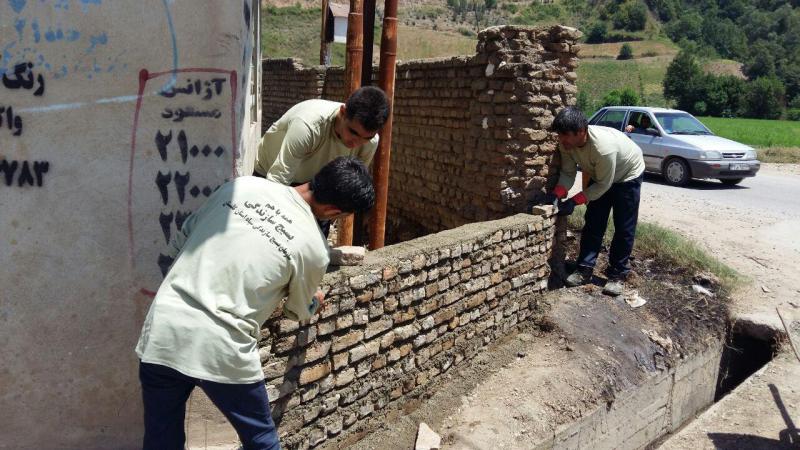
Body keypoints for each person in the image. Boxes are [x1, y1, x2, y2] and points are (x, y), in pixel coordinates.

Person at [136, 157, 375, 450]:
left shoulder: (241, 187)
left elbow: (179, 243)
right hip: (224, 347)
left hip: (164, 330)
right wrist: (314, 301)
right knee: (262, 441)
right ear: (334, 211)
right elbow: (297, 311)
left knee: (162, 439)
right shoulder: (314, 248)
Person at [546, 107, 646, 296]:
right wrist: (557, 195)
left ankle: (617, 275)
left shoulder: (602, 148)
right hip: (601, 175)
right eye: (560, 135)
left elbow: (602, 185)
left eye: (565, 135)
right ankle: (584, 269)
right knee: (593, 222)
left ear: (581, 131)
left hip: (627, 174)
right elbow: (568, 173)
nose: (562, 140)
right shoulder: (566, 144)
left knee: (624, 227)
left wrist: (574, 202)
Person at [254, 86, 390, 185]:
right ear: (343, 112)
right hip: (269, 175)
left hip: (312, 187)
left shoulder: (371, 143)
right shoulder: (308, 125)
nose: (356, 143)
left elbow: (348, 182)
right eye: (353, 132)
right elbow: (278, 179)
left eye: (366, 138)